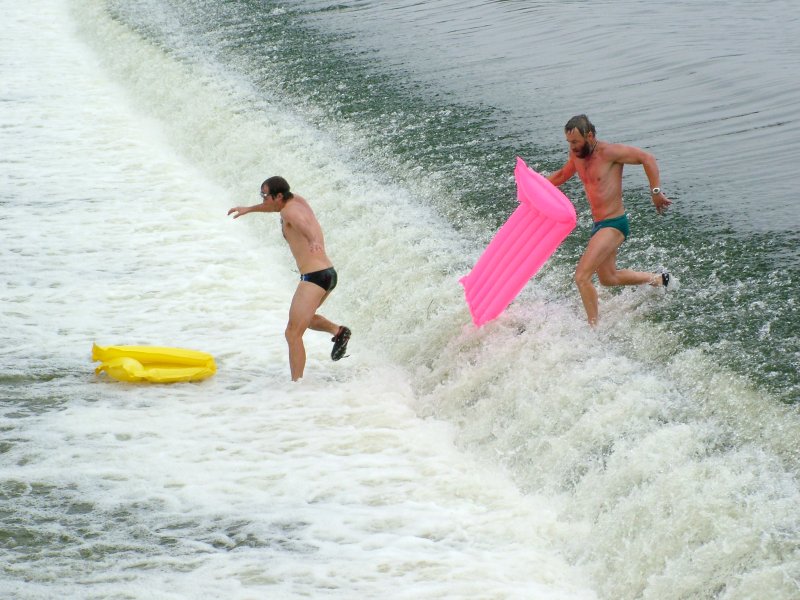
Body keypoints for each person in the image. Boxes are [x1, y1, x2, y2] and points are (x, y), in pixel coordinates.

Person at [546, 114, 673, 326]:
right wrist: (535, 187)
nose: (573, 147)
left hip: (615, 224)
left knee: (581, 277)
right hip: (599, 224)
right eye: (569, 142)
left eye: (576, 142)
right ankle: (659, 279)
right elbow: (561, 176)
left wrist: (656, 192)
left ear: (590, 135)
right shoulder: (576, 155)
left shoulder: (610, 153)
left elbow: (647, 158)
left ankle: (593, 327)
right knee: (608, 278)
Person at [228, 176, 350, 381]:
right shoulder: (295, 200)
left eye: (265, 196)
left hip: (314, 277)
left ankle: (297, 387)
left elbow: (301, 224)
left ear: (278, 196)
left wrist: (312, 240)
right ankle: (338, 332)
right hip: (328, 274)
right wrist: (249, 209)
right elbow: (274, 209)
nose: (263, 199)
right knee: (304, 320)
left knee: (292, 333)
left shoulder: (289, 211)